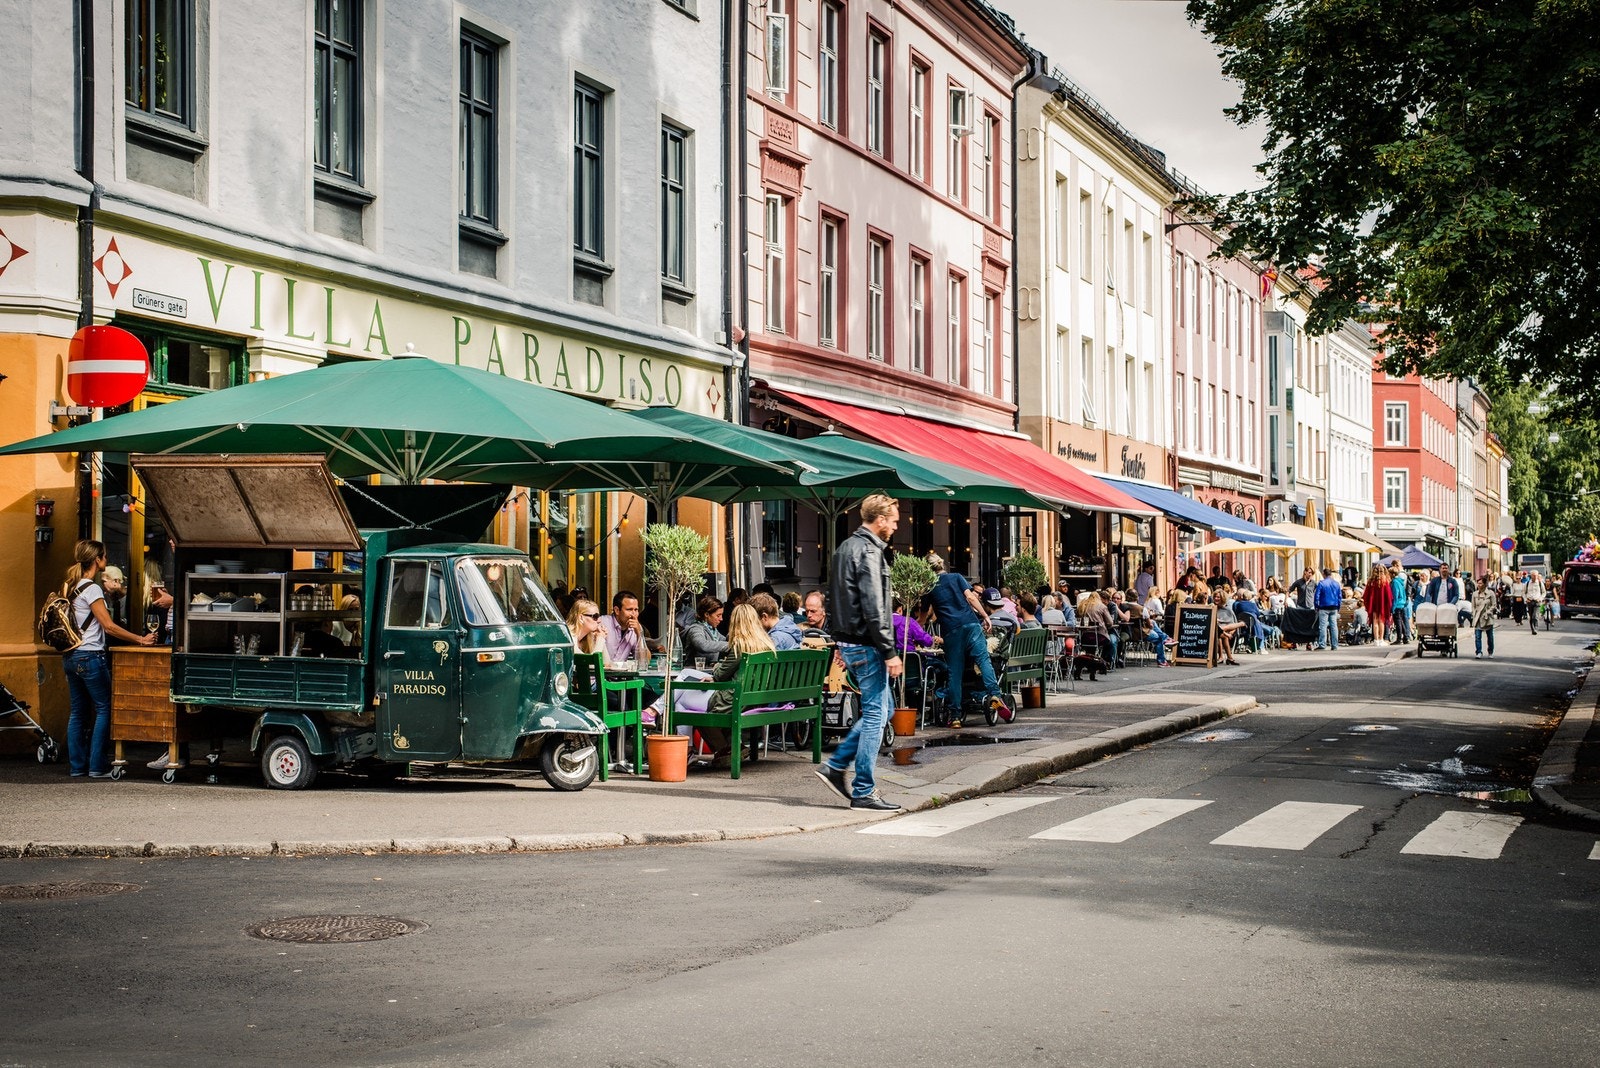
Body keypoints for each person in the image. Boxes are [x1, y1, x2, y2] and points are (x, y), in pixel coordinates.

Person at [814, 494, 903, 811]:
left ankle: (836, 766)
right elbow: (873, 607)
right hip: (868, 644)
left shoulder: (843, 548)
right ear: (879, 520)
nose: (895, 525)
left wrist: (839, 640)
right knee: (877, 715)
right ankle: (863, 789)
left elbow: (833, 596)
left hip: (851, 643)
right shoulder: (868, 551)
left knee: (885, 708)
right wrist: (890, 651)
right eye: (892, 520)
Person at [59, 540, 157, 778]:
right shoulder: (92, 589)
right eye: (104, 556)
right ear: (97, 560)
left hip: (71, 655)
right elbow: (109, 626)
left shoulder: (69, 586)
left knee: (78, 712)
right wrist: (140, 639)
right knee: (104, 709)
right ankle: (96, 766)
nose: (106, 560)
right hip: (91, 655)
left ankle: (77, 767)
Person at [925, 552, 1004, 730]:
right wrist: (985, 616)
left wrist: (915, 628)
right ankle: (994, 695)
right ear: (942, 564)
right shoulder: (957, 577)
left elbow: (926, 614)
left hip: (951, 631)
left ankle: (955, 717)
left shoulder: (929, 587)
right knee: (983, 660)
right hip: (970, 624)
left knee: (955, 672)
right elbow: (970, 597)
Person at [600, 590, 647, 668]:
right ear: (617, 610)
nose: (634, 614)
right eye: (629, 610)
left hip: (620, 677)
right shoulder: (602, 623)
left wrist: (639, 633)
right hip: (599, 676)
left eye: (636, 610)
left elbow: (645, 662)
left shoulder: (636, 628)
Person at [679, 594, 730, 666]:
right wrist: (730, 645)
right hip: (694, 672)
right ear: (706, 614)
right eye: (718, 615)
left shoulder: (713, 630)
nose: (721, 619)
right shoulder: (696, 629)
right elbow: (702, 645)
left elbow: (724, 639)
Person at [1362, 563, 1394, 645]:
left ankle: (1376, 640)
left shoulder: (1371, 581)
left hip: (1373, 603)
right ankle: (1381, 639)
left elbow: (1366, 594)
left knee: (1375, 621)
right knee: (1381, 621)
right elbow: (1388, 595)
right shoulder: (1385, 581)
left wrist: (1368, 603)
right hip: (1382, 604)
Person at [1314, 567, 1344, 650]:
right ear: (1330, 574)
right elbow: (1339, 597)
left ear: (1324, 574)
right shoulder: (1336, 584)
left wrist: (1316, 606)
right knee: (1334, 626)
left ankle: (1322, 644)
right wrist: (1338, 607)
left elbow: (1317, 596)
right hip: (1334, 606)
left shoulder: (1322, 583)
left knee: (1323, 626)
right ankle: (1335, 645)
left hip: (1324, 606)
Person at [1213, 588, 1245, 665]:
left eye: (1218, 597)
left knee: (1222, 635)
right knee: (1221, 635)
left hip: (1226, 632)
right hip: (1215, 631)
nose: (1216, 599)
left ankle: (1223, 657)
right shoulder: (1212, 608)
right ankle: (1227, 658)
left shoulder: (1228, 610)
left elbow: (1232, 624)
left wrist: (1230, 633)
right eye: (1215, 597)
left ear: (1222, 598)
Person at [1471, 576, 1498, 658]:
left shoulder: (1490, 593)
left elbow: (1494, 605)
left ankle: (1490, 652)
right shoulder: (1475, 594)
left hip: (1487, 618)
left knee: (1490, 637)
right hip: (1478, 617)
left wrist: (1488, 612)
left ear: (1485, 584)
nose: (1478, 585)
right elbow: (1473, 605)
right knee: (1477, 636)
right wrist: (1473, 614)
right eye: (1477, 583)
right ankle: (1478, 652)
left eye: (1480, 583)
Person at [1390, 563, 1412, 645]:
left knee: (1398, 622)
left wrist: (1393, 607)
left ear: (1392, 574)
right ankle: (1405, 637)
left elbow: (1395, 595)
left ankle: (1399, 638)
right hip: (1402, 603)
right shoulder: (1400, 582)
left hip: (1397, 604)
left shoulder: (1395, 582)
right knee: (1402, 621)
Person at [1524, 570, 1547, 634]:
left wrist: (1540, 598)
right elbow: (1524, 593)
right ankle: (1532, 628)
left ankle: (1536, 629)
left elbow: (1544, 592)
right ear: (1531, 576)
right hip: (1530, 601)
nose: (1535, 577)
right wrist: (1526, 599)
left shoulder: (1540, 583)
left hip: (1537, 601)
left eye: (1536, 575)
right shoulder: (1527, 583)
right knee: (1531, 617)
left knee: (1535, 616)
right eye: (1533, 575)